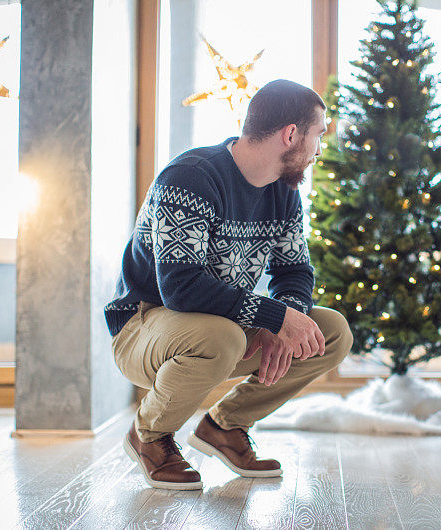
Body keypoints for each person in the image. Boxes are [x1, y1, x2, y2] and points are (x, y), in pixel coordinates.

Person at [104, 79, 353, 489]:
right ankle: (149, 434)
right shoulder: (189, 178)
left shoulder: (283, 192)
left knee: (330, 332)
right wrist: (274, 316)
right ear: (291, 134)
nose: (319, 150)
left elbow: (294, 272)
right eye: (318, 135)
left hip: (222, 327)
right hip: (144, 327)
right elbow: (180, 287)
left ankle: (225, 425)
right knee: (221, 337)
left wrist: (284, 319)